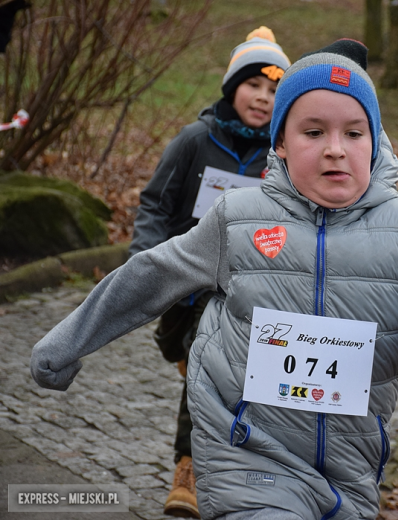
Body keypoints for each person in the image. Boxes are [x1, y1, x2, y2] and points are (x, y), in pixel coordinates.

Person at [30, 39, 398, 520]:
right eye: (314, 132)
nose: (336, 150)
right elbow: (152, 274)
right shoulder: (238, 219)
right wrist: (68, 342)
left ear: (377, 141)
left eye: (355, 133)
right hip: (247, 455)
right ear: (279, 142)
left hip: (351, 470)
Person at [128, 26, 290, 518]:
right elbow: (156, 203)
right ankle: (188, 360)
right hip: (184, 282)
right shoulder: (195, 141)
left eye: (273, 90)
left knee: (209, 364)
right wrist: (146, 258)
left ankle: (190, 469)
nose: (262, 98)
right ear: (231, 87)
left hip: (241, 289)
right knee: (184, 350)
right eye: (253, 85)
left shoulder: (281, 157)